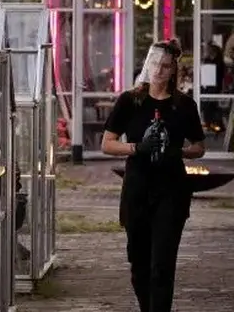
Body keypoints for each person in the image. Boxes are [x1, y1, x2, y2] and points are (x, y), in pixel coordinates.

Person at [101, 39, 205, 312]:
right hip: (137, 189)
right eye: (155, 64)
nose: (159, 71)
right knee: (139, 262)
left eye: (166, 66)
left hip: (171, 191)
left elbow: (199, 147)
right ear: (148, 64)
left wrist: (179, 151)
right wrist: (136, 147)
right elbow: (107, 143)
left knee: (162, 264)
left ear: (173, 71)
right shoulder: (130, 100)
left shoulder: (184, 106)